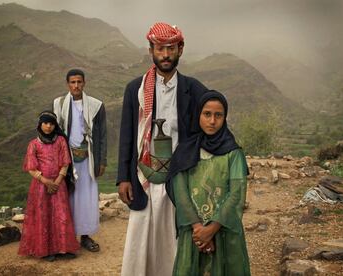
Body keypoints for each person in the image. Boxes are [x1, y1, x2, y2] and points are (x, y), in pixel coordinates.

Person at [117, 22, 207, 276]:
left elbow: (209, 128)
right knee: (141, 238)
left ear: (181, 49)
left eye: (171, 48)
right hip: (144, 175)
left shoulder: (194, 89)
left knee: (173, 241)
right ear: (151, 50)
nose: (165, 55)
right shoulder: (135, 89)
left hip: (178, 179)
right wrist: (123, 177)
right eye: (160, 49)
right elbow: (127, 136)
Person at [166, 91, 251, 275]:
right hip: (193, 233)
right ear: (198, 115)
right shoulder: (185, 151)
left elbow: (237, 193)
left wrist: (211, 229)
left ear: (224, 117)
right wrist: (199, 229)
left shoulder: (234, 153)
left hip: (224, 232)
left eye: (218, 115)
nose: (212, 121)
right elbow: (180, 192)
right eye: (207, 114)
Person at [53, 69, 107, 252]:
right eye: (72, 82)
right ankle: (67, 237)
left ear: (84, 83)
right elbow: (55, 134)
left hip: (88, 159)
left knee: (86, 198)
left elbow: (102, 136)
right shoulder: (59, 104)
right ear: (67, 84)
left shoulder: (96, 105)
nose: (76, 86)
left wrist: (102, 161)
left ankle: (85, 236)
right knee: (67, 197)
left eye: (79, 82)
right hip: (67, 161)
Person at [18, 111, 80, 262]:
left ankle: (63, 248)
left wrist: (57, 181)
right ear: (40, 124)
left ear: (55, 125)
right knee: (43, 217)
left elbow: (65, 163)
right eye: (45, 123)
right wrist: (46, 181)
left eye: (52, 123)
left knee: (61, 215)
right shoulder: (33, 144)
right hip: (40, 187)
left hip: (58, 185)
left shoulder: (60, 141)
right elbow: (31, 168)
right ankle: (45, 250)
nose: (48, 126)